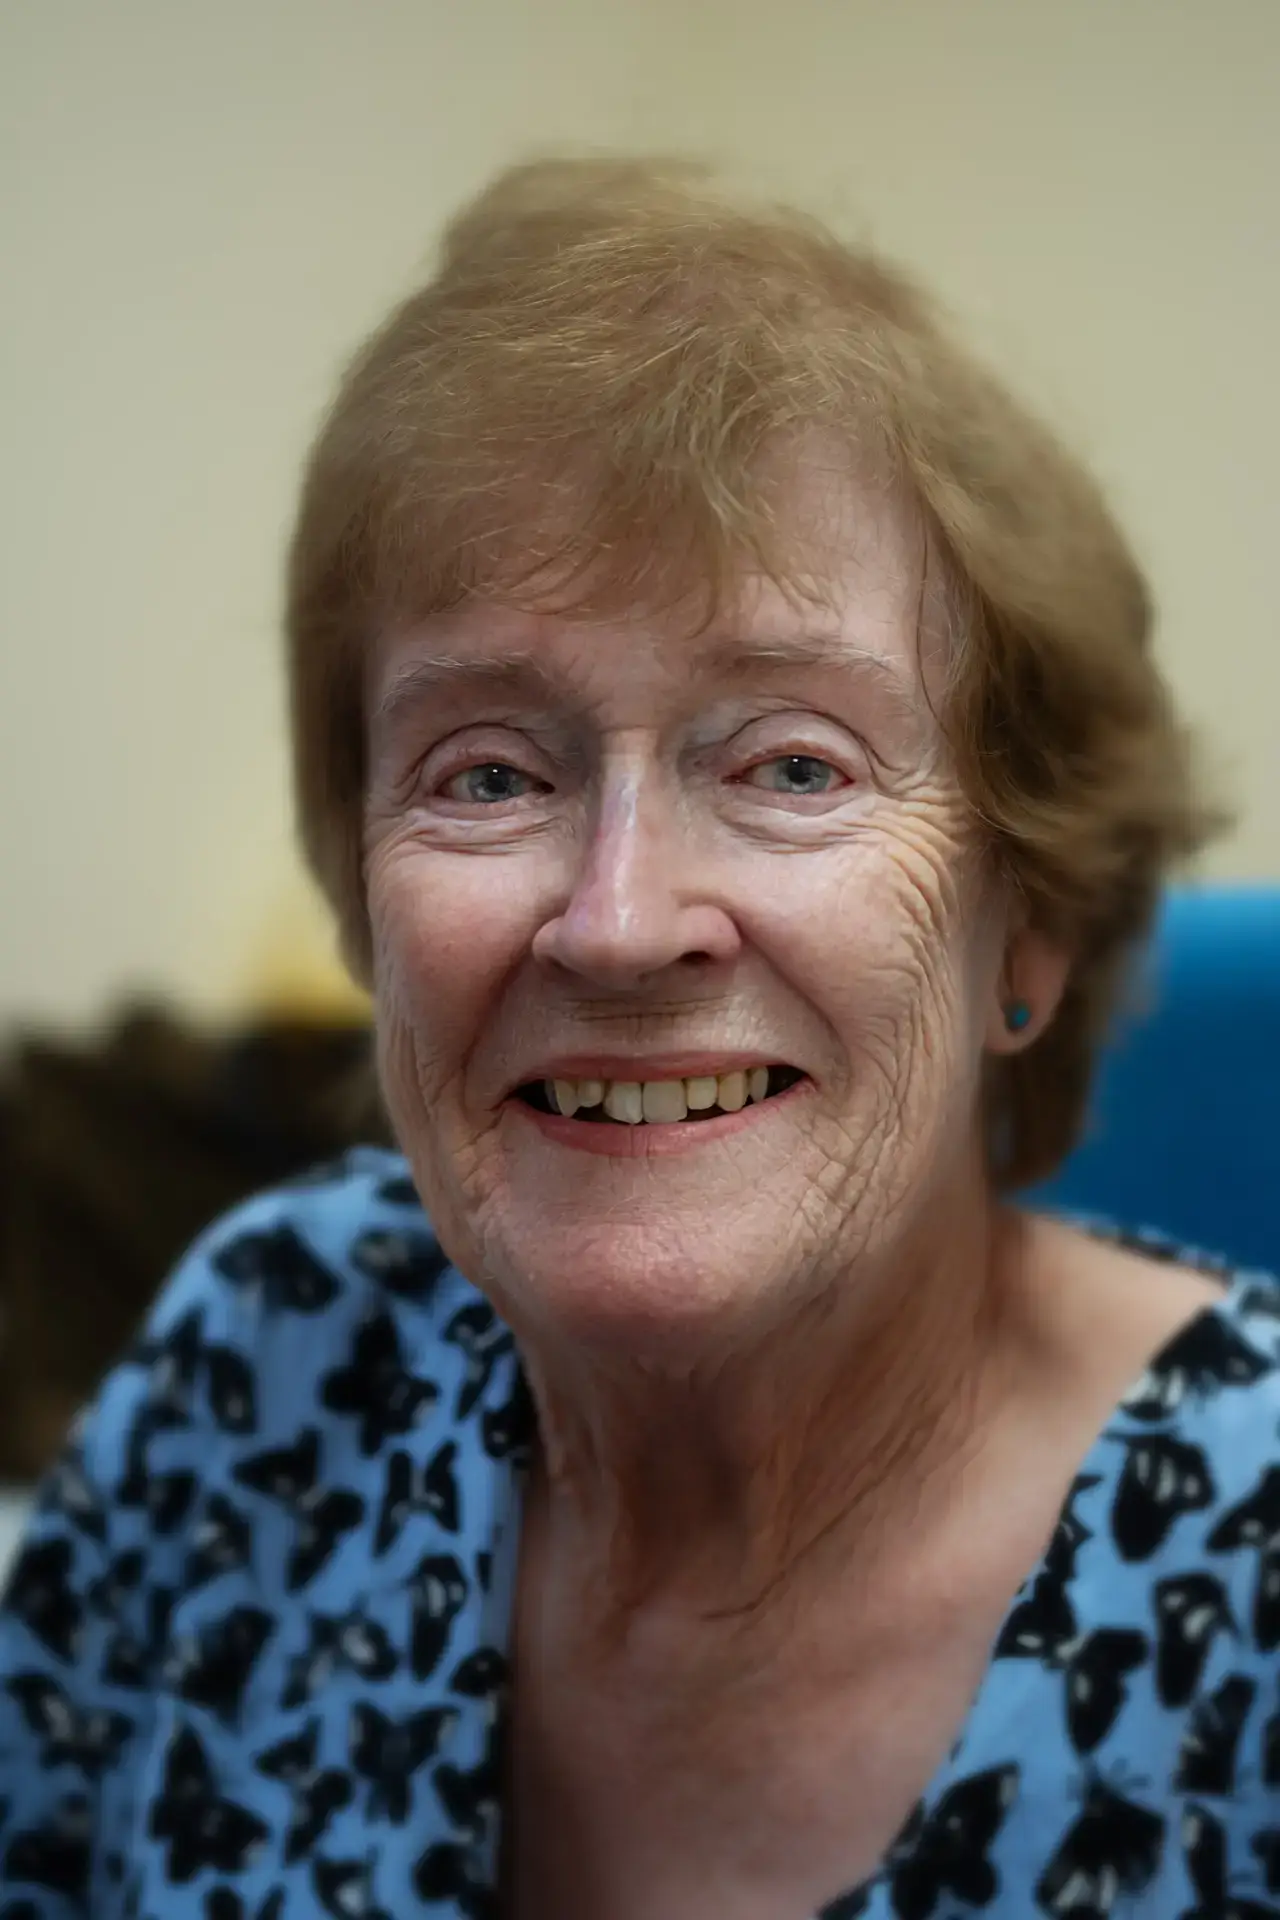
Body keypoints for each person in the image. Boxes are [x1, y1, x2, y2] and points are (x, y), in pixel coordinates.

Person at [0, 158, 1276, 1920]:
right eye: (491, 774)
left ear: (1027, 927)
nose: (614, 920)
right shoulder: (272, 1359)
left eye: (791, 765)